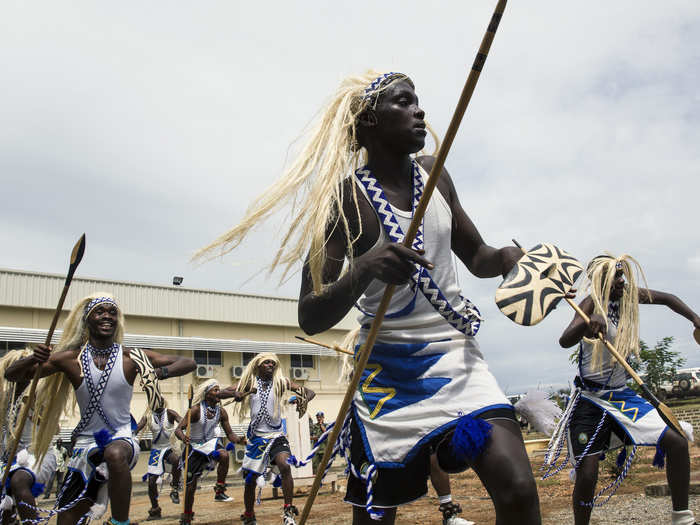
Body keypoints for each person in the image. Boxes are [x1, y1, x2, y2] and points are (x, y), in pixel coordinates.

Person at [196, 71, 539, 525]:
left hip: (456, 359)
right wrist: (365, 269)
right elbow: (310, 313)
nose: (420, 111)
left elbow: (477, 255)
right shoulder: (344, 200)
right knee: (376, 517)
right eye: (404, 102)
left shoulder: (437, 177)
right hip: (386, 371)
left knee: (518, 489)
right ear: (370, 121)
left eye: (419, 101)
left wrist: (512, 258)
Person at [4, 293, 196, 525]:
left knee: (113, 454)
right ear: (87, 320)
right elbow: (13, 375)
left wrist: (157, 373)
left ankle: (119, 522)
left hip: (122, 438)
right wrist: (34, 358)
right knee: (66, 520)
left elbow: (188, 363)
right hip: (84, 446)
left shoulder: (131, 357)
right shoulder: (70, 359)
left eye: (112, 312)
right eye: (100, 311)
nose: (107, 316)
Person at [555, 254, 700, 525]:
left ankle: (683, 518)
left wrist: (695, 317)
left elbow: (668, 298)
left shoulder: (630, 297)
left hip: (621, 396)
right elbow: (564, 340)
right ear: (602, 280)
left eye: (623, 275)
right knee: (587, 474)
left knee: (677, 442)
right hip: (590, 399)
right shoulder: (589, 303)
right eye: (616, 277)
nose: (622, 281)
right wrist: (588, 324)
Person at [219, 353, 315, 525]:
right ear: (258, 366)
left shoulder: (281, 383)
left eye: (273, 362)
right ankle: (249, 515)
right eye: (266, 362)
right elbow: (222, 393)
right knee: (250, 481)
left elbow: (309, 391)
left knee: (285, 466)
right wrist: (238, 394)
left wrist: (303, 399)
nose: (270, 365)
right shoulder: (250, 383)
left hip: (277, 436)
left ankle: (288, 511)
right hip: (257, 439)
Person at [174, 379, 245, 525]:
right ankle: (186, 515)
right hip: (194, 447)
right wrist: (183, 438)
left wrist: (239, 441)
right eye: (215, 390)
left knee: (224, 455)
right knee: (191, 486)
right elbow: (178, 429)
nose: (219, 393)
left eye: (219, 390)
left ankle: (219, 490)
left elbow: (230, 434)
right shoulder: (195, 410)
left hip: (211, 444)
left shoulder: (221, 412)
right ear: (207, 394)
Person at [0, 349, 57, 525]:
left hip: (37, 455)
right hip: (7, 458)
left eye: (29, 369)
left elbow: (54, 428)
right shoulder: (4, 398)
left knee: (19, 480)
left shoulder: (41, 395)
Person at [136, 405, 183, 519]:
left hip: (168, 447)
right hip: (156, 451)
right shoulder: (148, 416)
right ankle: (155, 509)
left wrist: (186, 425)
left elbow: (181, 421)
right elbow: (137, 428)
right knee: (151, 482)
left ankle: (175, 488)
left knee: (176, 460)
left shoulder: (170, 413)